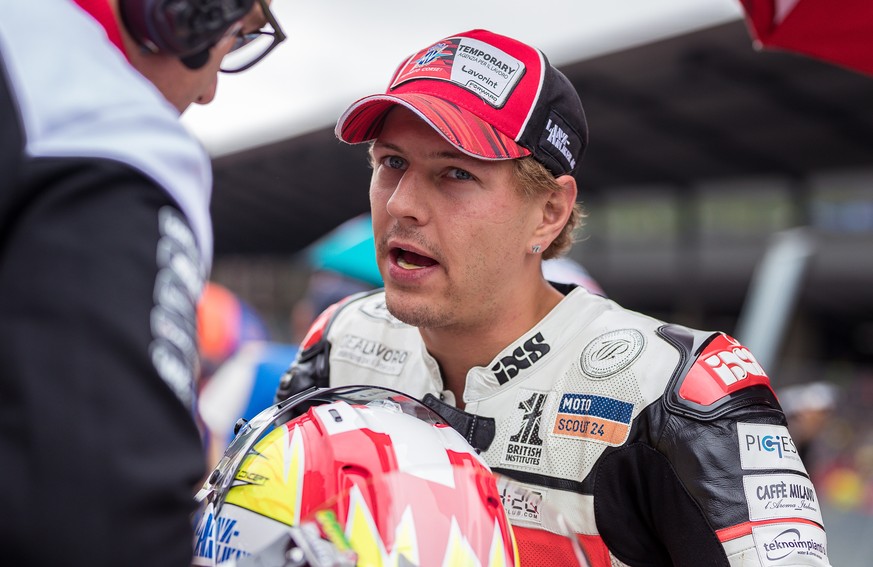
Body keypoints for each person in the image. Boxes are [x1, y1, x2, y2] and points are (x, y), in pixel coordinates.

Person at [275, 29, 830, 566]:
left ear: (549, 212)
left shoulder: (675, 391)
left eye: (454, 174)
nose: (401, 204)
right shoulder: (342, 340)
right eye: (391, 163)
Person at [0, 1, 284, 566]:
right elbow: (105, 519)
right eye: (235, 38)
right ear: (188, 14)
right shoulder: (102, 129)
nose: (207, 95)